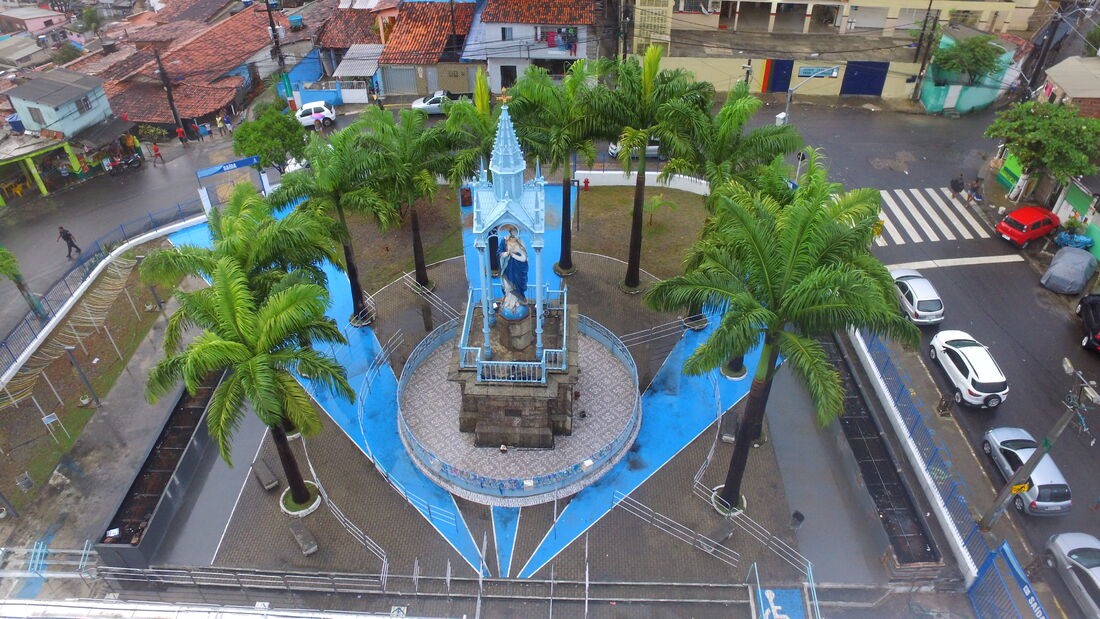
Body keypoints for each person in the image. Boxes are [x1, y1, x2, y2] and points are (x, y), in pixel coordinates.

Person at [498, 229, 529, 318]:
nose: (513, 237)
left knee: (517, 286)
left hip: (517, 269)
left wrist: (513, 255)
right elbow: (499, 253)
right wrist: (506, 254)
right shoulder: (504, 241)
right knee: (507, 286)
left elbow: (524, 258)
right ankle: (508, 301)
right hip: (507, 267)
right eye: (512, 235)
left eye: (515, 235)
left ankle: (516, 301)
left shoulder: (520, 243)